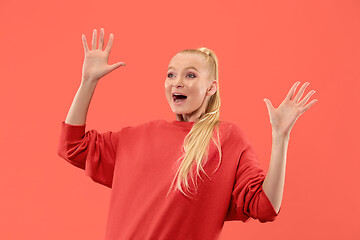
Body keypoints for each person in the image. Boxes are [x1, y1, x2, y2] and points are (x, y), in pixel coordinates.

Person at [57, 28, 318, 240]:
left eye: (190, 75)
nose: (177, 82)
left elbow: (265, 207)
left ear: (211, 88)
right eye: (171, 74)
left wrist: (281, 136)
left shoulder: (226, 139)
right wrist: (88, 82)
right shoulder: (135, 138)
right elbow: (71, 146)